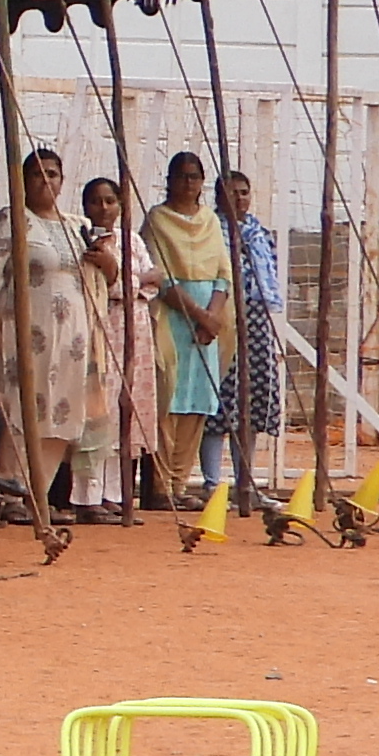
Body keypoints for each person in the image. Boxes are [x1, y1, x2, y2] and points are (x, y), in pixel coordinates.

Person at [0, 146, 100, 523]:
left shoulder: (74, 225)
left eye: (53, 174)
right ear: (23, 181)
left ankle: (38, 498)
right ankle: (10, 485)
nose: (46, 181)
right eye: (37, 174)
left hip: (71, 334)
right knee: (22, 400)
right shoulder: (12, 220)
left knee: (61, 409)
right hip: (25, 327)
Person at [142, 151, 229, 500]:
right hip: (173, 318)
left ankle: (179, 483)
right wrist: (198, 314)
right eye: (181, 176)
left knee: (197, 401)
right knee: (169, 397)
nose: (187, 183)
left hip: (208, 325)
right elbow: (159, 277)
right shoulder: (157, 220)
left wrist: (213, 316)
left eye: (194, 177)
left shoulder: (210, 221)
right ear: (169, 180)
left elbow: (223, 274)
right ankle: (160, 487)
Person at [205, 169, 286, 497]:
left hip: (256, 319)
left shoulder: (259, 234)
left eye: (243, 192)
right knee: (218, 400)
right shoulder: (210, 230)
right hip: (221, 316)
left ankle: (245, 482)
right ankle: (212, 483)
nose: (238, 198)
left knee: (251, 401)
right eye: (230, 191)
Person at [72, 169, 135, 517]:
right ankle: (85, 497)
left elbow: (151, 280)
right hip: (97, 332)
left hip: (130, 335)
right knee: (94, 412)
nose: (103, 207)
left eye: (110, 201)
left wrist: (128, 278)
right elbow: (116, 286)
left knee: (119, 416)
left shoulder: (131, 241)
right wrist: (122, 276)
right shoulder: (81, 239)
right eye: (95, 201)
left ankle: (112, 492)